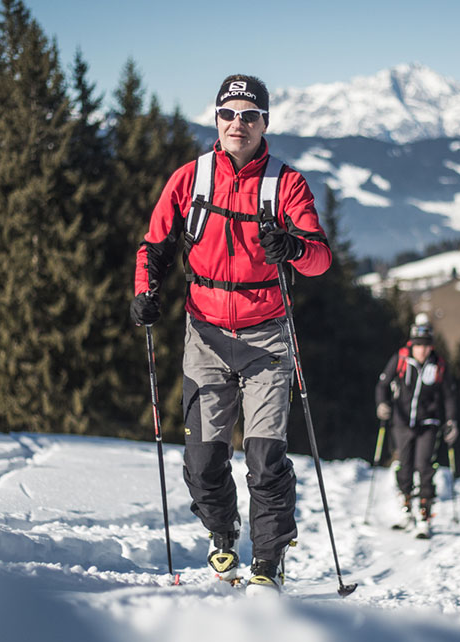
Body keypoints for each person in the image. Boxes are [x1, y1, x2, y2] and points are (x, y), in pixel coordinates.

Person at [130, 74, 332, 592]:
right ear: (215, 120)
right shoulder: (190, 179)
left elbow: (319, 258)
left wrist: (290, 247)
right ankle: (224, 535)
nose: (237, 123)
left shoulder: (285, 184)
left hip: (266, 338)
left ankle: (268, 560)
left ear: (265, 122)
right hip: (205, 333)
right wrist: (145, 291)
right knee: (203, 461)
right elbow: (154, 246)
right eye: (228, 114)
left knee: (266, 458)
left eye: (249, 114)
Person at [375, 313, 458, 537]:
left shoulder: (438, 365)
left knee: (424, 467)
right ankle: (406, 510)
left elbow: (449, 395)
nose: (422, 350)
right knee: (405, 466)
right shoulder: (400, 360)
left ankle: (424, 514)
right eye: (418, 345)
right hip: (401, 422)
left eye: (426, 346)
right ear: (411, 344)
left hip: (428, 424)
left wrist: (451, 421)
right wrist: (382, 404)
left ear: (431, 346)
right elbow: (382, 385)